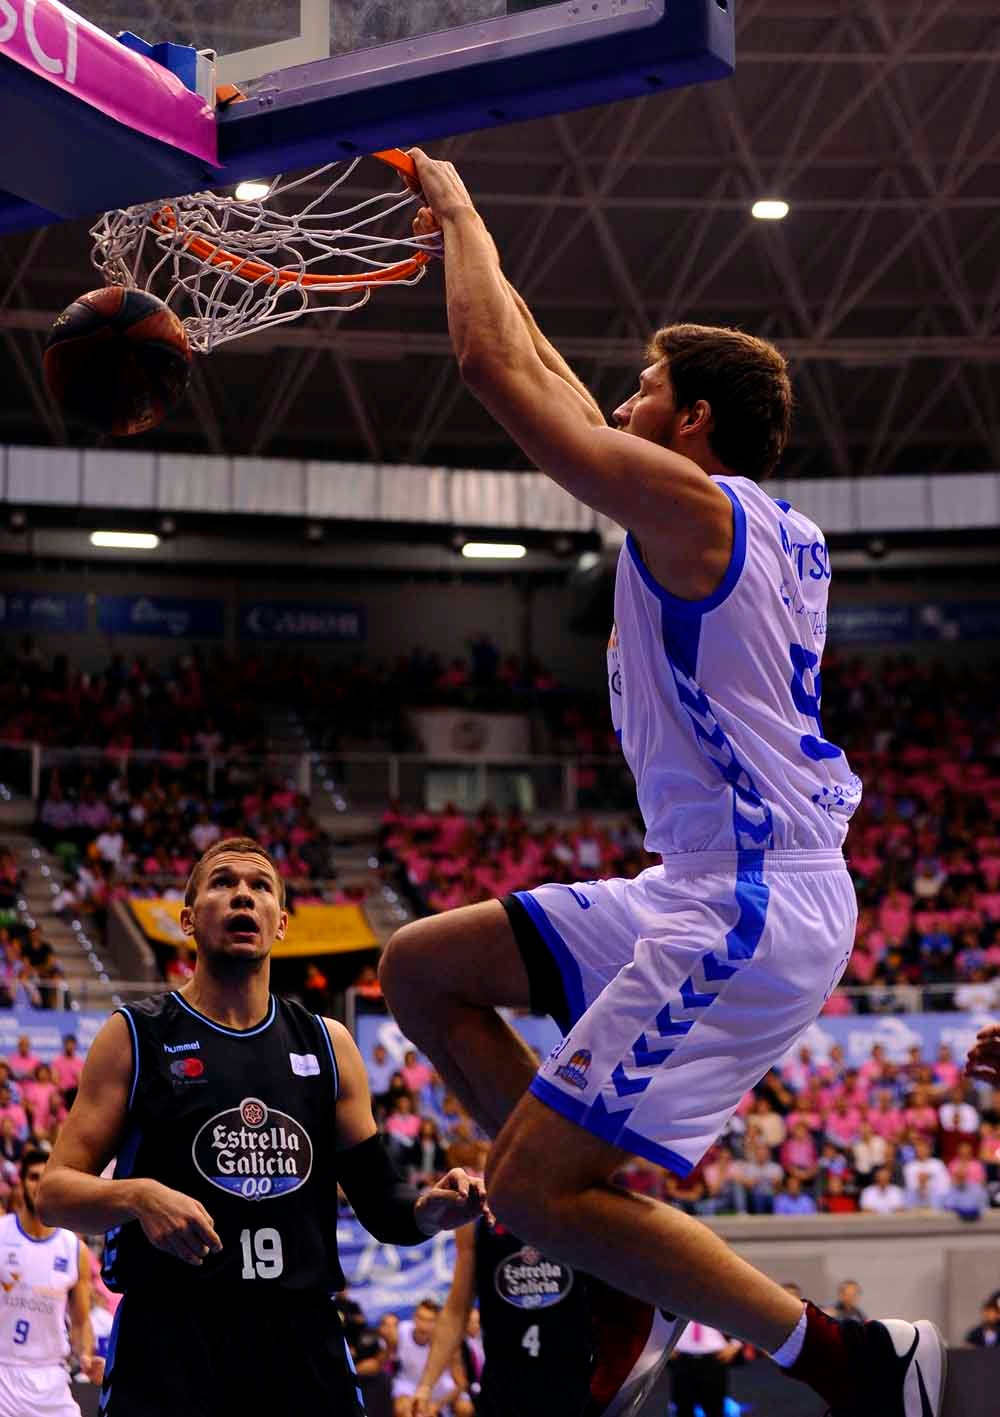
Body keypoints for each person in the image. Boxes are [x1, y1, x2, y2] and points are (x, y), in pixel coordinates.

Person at [379, 147, 945, 1417]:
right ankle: (591, 1230)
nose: (620, 405)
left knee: (525, 1191)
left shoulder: (694, 514)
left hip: (748, 905)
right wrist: (472, 238)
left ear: (691, 423)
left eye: (643, 389)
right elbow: (546, 375)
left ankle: (843, 1356)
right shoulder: (733, 513)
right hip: (706, 881)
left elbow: (495, 373)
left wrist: (463, 204)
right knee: (420, 967)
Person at [38, 838, 486, 1417]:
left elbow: (384, 1203)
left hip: (298, 1336)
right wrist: (138, 1195)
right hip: (171, 1333)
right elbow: (54, 1194)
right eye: (223, 883)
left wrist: (429, 1211)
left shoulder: (329, 1045)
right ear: (187, 920)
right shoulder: (135, 1037)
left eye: (261, 886)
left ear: (281, 925)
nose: (243, 895)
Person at [412, 1214, 675, 1417]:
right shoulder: (478, 1217)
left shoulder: (581, 1210)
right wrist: (425, 1386)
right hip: (504, 1382)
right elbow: (457, 1310)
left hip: (573, 1380)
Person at [0, 1148, 101, 1417]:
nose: (40, 1185)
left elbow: (80, 1322)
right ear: (21, 1183)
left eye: (46, 1177)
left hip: (49, 1375)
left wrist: (86, 1356)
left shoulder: (73, 1248)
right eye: (33, 1177)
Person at [669, 1322, 742, 1417]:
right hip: (681, 1358)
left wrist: (736, 1344)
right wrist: (664, 1345)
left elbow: (738, 1316)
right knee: (682, 1407)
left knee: (715, 1407)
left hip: (715, 1358)